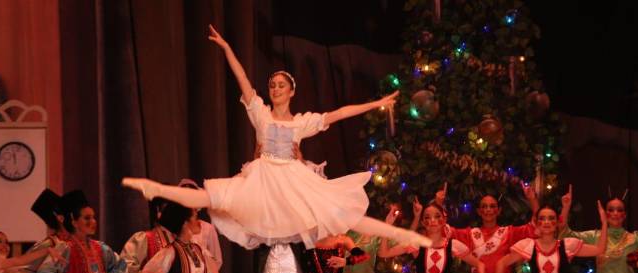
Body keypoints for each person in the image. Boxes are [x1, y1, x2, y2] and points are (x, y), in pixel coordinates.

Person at [122, 25, 431, 251]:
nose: (276, 88)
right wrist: (228, 49)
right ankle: (155, 188)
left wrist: (377, 103)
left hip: (293, 178)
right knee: (209, 196)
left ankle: (406, 235)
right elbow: (242, 79)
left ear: (292, 91)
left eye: (281, 84)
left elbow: (339, 113)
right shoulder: (260, 113)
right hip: (262, 177)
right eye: (272, 84)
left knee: (338, 213)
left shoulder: (300, 124)